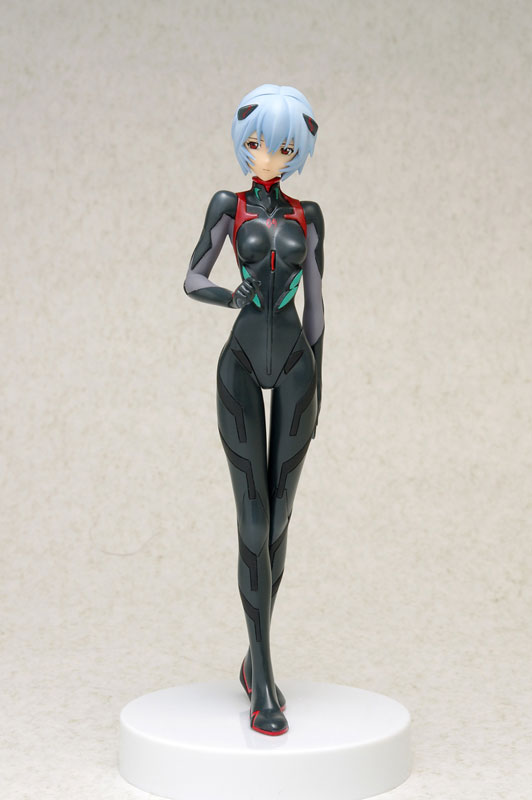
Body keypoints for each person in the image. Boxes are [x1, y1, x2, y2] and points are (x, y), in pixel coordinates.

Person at [184, 84, 324, 736]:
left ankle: (252, 654)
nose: (270, 155)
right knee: (252, 515)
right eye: (261, 142)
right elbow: (192, 278)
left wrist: (321, 383)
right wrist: (227, 297)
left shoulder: (309, 216)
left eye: (285, 147)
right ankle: (263, 674)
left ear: (298, 151)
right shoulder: (228, 204)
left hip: (297, 367)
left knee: (279, 519)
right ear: (244, 140)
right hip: (240, 365)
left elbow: (316, 304)